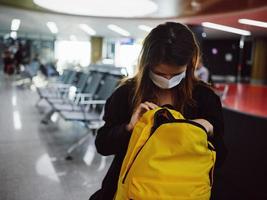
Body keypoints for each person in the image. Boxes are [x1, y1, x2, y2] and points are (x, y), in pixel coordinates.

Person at [89, 22, 227, 200]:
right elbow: (103, 145)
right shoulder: (126, 93)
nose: (168, 79)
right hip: (132, 190)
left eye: (176, 74)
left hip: (182, 191)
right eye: (161, 74)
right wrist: (129, 128)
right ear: (147, 63)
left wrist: (208, 130)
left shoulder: (204, 97)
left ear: (190, 64)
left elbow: (221, 157)